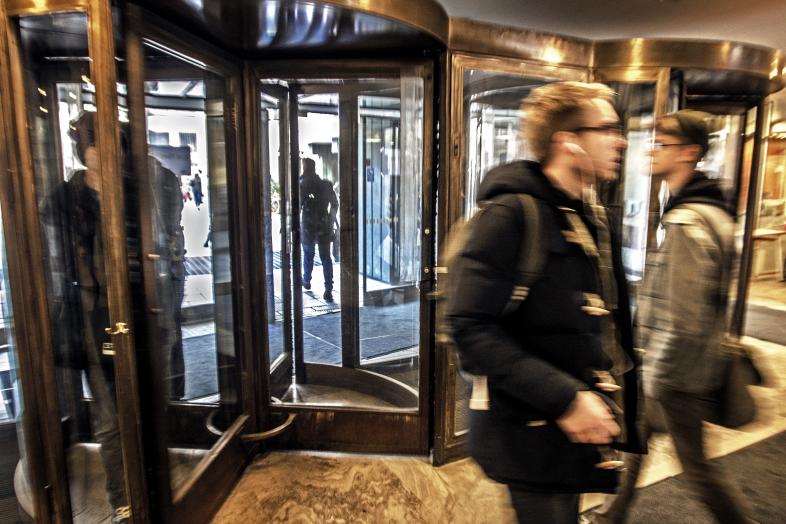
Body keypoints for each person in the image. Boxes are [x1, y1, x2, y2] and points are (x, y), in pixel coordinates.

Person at [446, 81, 645, 524]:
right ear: (568, 141)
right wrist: (566, 399)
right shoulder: (511, 216)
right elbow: (470, 329)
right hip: (530, 432)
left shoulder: (591, 216)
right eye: (607, 128)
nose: (621, 140)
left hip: (573, 433)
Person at [590, 110, 754, 524]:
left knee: (697, 466)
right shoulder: (713, 212)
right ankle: (613, 515)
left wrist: (656, 374)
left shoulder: (687, 221)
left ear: (689, 153)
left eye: (662, 144)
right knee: (638, 442)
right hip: (682, 364)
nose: (651, 150)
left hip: (676, 372)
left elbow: (683, 317)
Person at [42, 111, 129, 523]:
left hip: (133, 314)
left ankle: (146, 485)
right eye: (95, 141)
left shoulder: (131, 191)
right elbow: (56, 266)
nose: (101, 150)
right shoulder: (61, 201)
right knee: (109, 416)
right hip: (94, 321)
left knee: (140, 405)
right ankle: (123, 499)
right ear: (84, 148)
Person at [299, 157, 338, 302]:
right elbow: (335, 204)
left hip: (308, 225)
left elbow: (296, 205)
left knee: (308, 254)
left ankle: (306, 279)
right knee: (326, 258)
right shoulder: (326, 185)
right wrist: (332, 220)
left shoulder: (302, 184)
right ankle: (328, 290)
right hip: (324, 224)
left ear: (305, 168)